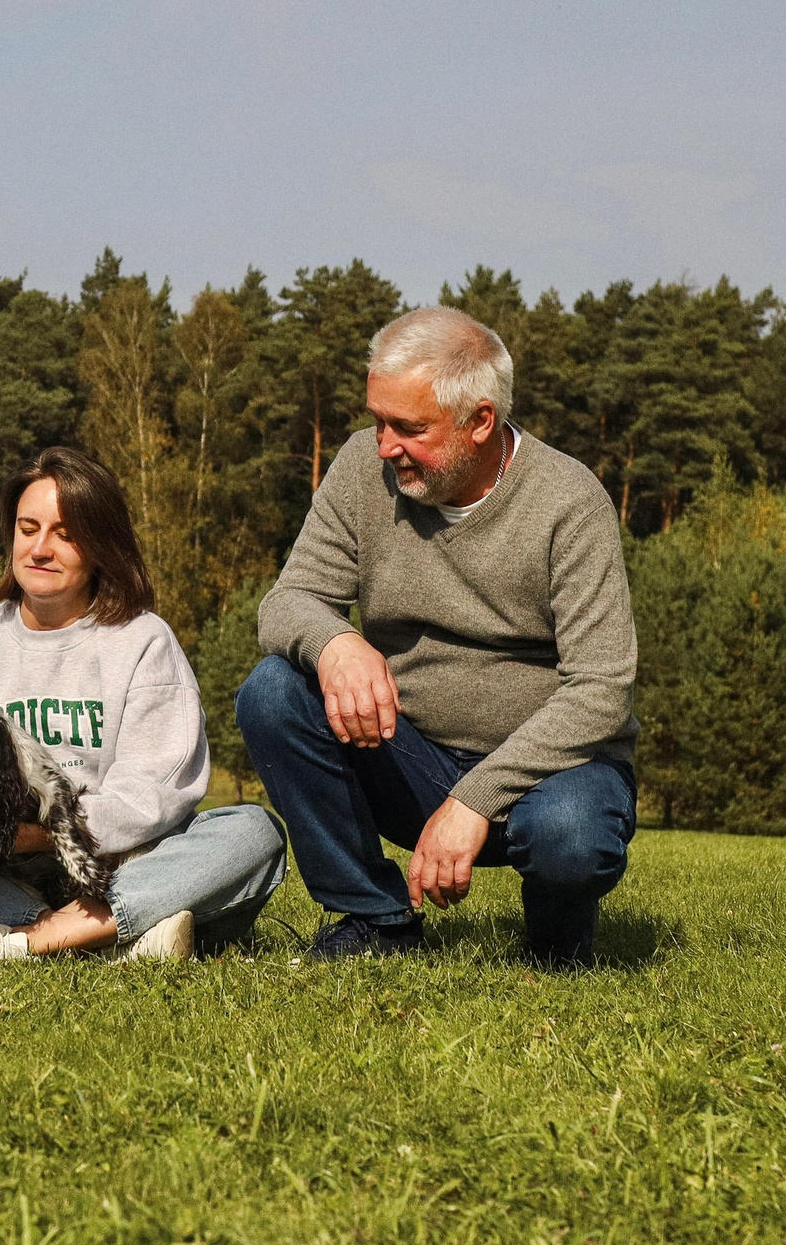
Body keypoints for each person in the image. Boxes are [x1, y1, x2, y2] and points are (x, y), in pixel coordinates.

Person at [235, 307, 637, 967]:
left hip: (551, 775)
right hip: (408, 756)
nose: (384, 445)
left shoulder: (569, 500)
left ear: (481, 421)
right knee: (273, 691)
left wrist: (474, 800)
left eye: (408, 427)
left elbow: (602, 689)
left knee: (570, 831)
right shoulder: (364, 475)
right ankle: (374, 919)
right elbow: (289, 602)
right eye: (377, 420)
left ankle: (560, 945)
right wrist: (337, 643)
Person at [0, 447, 288, 961]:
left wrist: (38, 835)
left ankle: (27, 940)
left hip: (123, 861)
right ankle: (118, 935)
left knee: (252, 834)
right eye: (28, 528)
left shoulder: (143, 641)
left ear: (101, 544)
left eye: (65, 533)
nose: (40, 549)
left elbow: (152, 797)